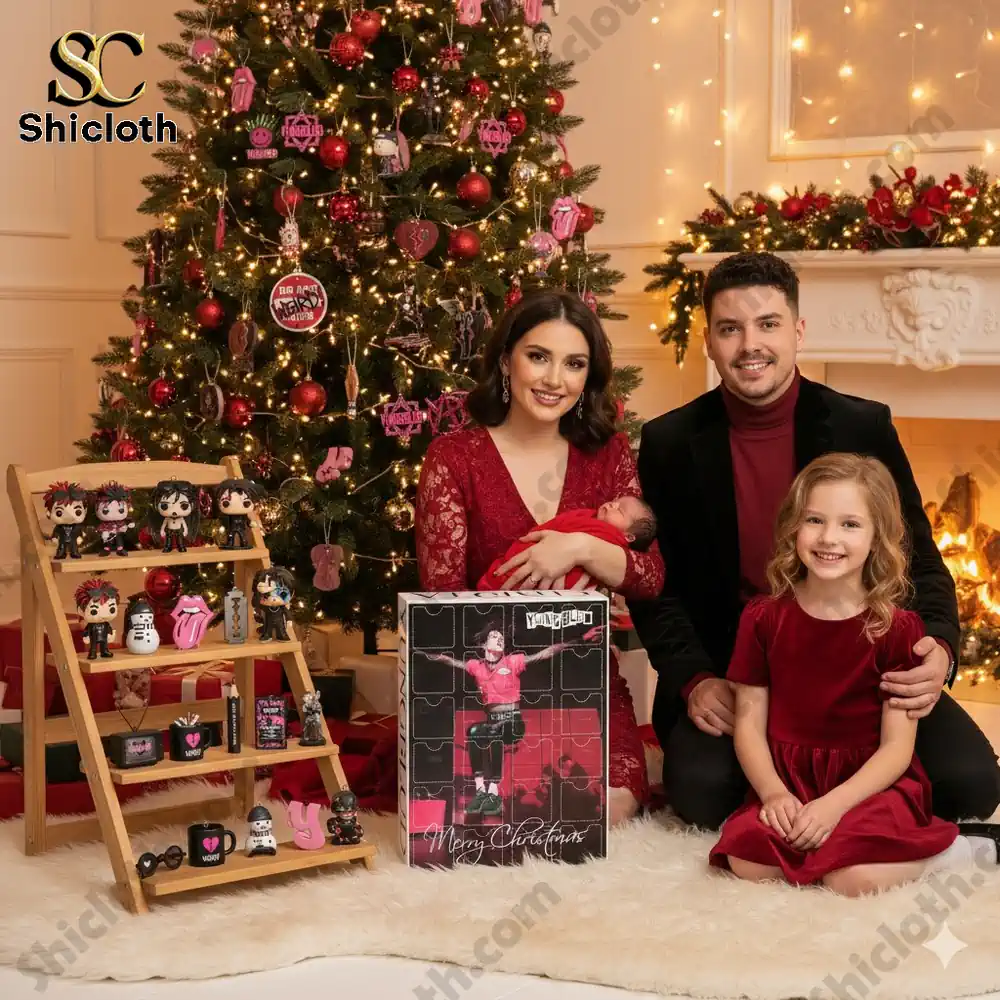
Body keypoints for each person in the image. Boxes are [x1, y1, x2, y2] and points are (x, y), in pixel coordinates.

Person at [630, 251, 1000, 830]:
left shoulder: (862, 425)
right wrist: (693, 680)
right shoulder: (669, 441)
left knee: (972, 785)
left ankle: (854, 795)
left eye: (768, 324)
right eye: (730, 328)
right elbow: (658, 585)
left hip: (861, 667)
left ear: (798, 331)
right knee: (700, 796)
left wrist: (942, 648)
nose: (750, 344)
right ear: (709, 340)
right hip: (740, 671)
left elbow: (920, 556)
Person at [415, 288, 666, 825]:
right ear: (506, 359)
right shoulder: (455, 458)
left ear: (588, 377)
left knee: (608, 807)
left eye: (574, 364)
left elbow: (649, 576)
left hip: (581, 679)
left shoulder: (608, 455)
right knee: (492, 807)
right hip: (486, 688)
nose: (555, 380)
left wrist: (579, 546)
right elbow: (442, 602)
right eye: (538, 356)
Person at [709, 453, 1000, 895]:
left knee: (852, 877)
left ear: (877, 537)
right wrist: (773, 794)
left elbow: (896, 751)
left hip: (868, 785)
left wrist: (831, 808)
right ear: (793, 526)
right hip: (792, 780)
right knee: (744, 860)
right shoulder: (763, 617)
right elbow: (748, 723)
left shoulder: (897, 628)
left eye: (850, 524)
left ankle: (955, 851)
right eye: (815, 520)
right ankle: (812, 836)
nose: (829, 538)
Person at [477, 495, 657, 590]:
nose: (612, 505)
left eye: (620, 511)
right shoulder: (588, 516)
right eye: (615, 502)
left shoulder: (610, 538)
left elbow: (652, 576)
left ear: (629, 537)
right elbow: (560, 525)